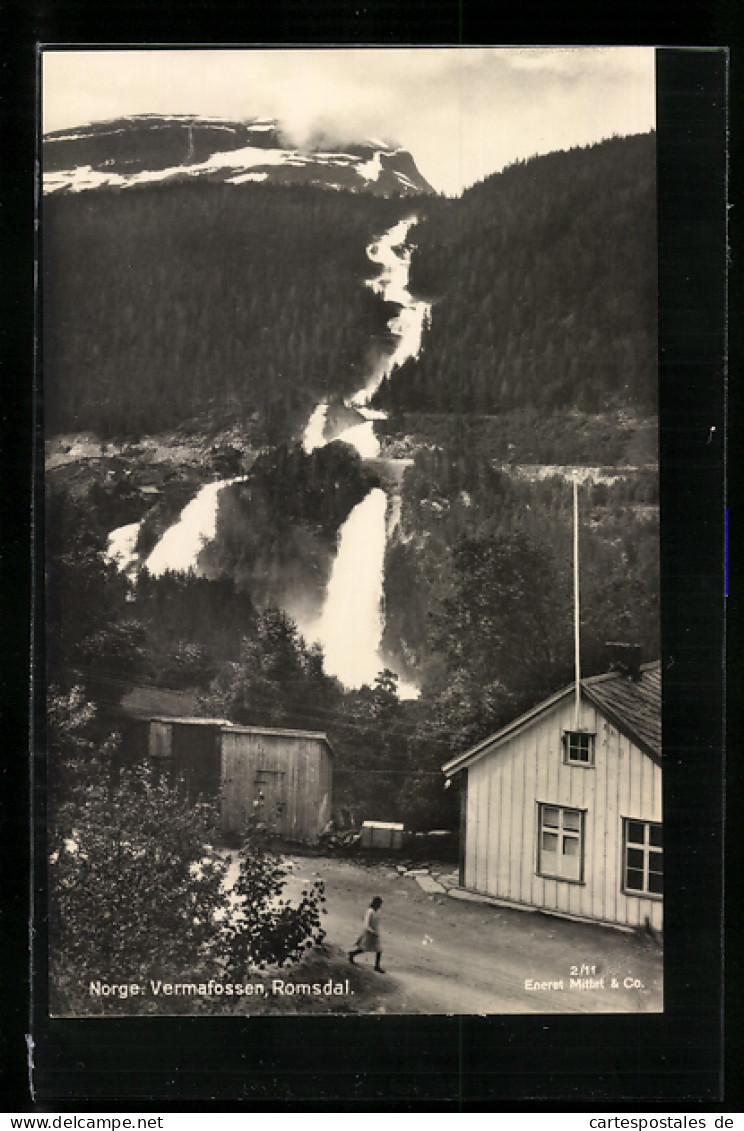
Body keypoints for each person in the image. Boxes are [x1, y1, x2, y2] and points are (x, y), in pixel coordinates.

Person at [349, 896, 385, 973]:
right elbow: (366, 925)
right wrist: (372, 931)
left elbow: (376, 923)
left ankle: (377, 966)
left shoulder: (378, 912)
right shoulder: (370, 911)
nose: (379, 906)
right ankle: (352, 954)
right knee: (364, 948)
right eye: (379, 904)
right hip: (369, 934)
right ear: (375, 903)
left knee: (379, 950)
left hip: (375, 934)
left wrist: (377, 932)